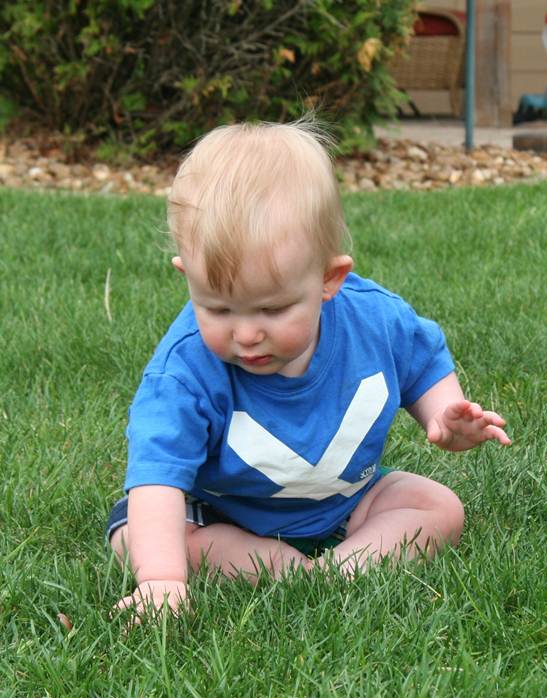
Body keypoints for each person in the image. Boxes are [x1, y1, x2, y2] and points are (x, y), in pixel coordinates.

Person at [107, 118, 511, 620]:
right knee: (137, 537)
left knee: (437, 507)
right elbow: (157, 480)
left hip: (343, 502)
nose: (247, 333)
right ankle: (273, 564)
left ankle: (339, 568)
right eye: (218, 309)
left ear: (328, 278)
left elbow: (421, 361)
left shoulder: (374, 321)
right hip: (219, 511)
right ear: (187, 277)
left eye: (272, 310)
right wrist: (161, 581)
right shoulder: (183, 372)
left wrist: (444, 412)